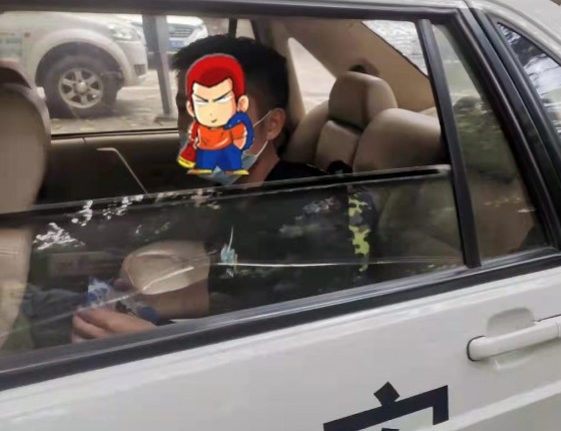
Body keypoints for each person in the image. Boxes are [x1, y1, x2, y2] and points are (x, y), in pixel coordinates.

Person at [71, 36, 374, 343]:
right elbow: (234, 287)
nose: (194, 128)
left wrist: (154, 341)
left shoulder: (314, 214)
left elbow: (296, 341)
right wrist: (145, 302)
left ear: (271, 125)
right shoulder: (239, 195)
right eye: (187, 109)